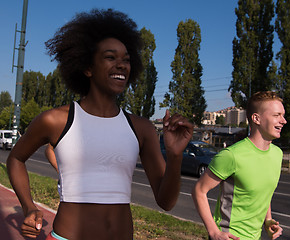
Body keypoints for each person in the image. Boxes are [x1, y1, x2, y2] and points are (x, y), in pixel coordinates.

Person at [7, 9, 193, 240]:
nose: (122, 65)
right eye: (110, 57)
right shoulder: (55, 120)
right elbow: (15, 159)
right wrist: (29, 207)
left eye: (126, 59)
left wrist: (175, 157)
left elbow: (166, 202)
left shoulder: (141, 128)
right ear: (87, 68)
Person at [192, 91, 286, 240]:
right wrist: (214, 232)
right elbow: (199, 190)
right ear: (256, 118)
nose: (283, 121)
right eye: (277, 115)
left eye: (283, 115)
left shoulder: (277, 154)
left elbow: (264, 193)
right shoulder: (232, 155)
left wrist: (267, 220)